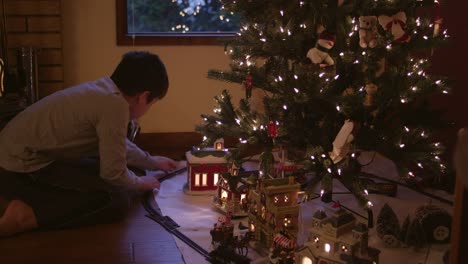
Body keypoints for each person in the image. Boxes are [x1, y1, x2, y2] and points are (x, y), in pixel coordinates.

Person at [0, 51, 177, 237]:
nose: (148, 110)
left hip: (22, 158)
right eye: (152, 104)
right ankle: (26, 215)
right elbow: (113, 173)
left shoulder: (106, 91)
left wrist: (151, 162)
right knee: (116, 201)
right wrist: (140, 184)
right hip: (18, 169)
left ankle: (23, 201)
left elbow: (116, 145)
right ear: (143, 96)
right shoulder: (115, 106)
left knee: (131, 174)